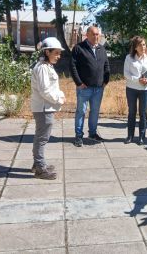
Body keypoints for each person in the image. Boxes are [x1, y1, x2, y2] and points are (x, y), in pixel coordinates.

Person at [31, 37, 66, 180]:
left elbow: (51, 88)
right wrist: (59, 98)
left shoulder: (46, 67)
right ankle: (40, 168)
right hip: (43, 108)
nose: (59, 56)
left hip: (46, 107)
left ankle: (38, 164)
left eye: (59, 53)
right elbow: (45, 91)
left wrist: (60, 95)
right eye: (56, 53)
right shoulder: (42, 68)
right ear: (47, 52)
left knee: (41, 136)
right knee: (42, 138)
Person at [70, 26, 110, 147]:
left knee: (95, 112)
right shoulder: (79, 48)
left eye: (98, 34)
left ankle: (92, 133)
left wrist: (106, 81)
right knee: (81, 111)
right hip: (84, 88)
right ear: (87, 35)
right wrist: (78, 82)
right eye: (93, 34)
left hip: (98, 88)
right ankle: (78, 136)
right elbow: (72, 66)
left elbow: (106, 65)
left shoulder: (101, 49)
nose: (96, 36)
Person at [124, 36, 147, 145]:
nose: (143, 47)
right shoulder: (129, 58)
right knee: (132, 112)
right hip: (132, 89)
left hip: (145, 89)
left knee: (143, 112)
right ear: (135, 47)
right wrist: (138, 80)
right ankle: (130, 136)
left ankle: (141, 136)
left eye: (144, 44)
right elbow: (126, 74)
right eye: (140, 45)